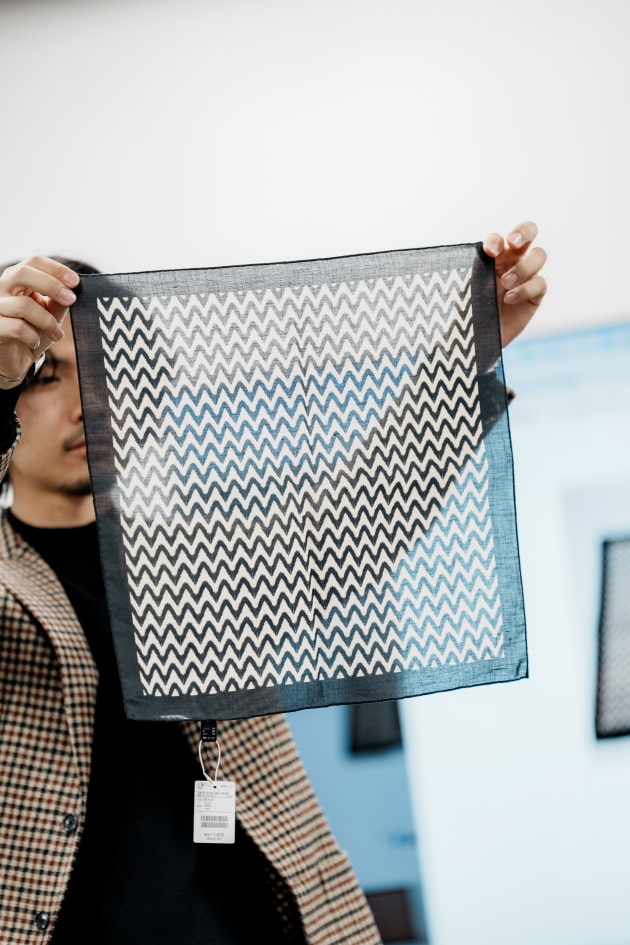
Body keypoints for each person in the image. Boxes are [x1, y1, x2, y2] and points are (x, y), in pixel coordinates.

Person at [0, 225, 547, 945]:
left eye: (104, 368)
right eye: (46, 377)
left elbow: (358, 521)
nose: (85, 402)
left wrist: (470, 346)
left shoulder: (193, 556)